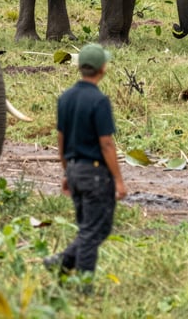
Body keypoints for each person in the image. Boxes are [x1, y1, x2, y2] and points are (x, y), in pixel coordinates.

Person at [44, 43, 127, 289]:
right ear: (102, 68)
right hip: (95, 174)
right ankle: (83, 286)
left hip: (74, 169)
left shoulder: (65, 98)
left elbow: (61, 139)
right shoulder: (99, 101)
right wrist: (119, 180)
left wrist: (66, 171)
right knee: (94, 232)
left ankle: (62, 263)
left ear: (80, 68)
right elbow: (106, 143)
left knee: (89, 229)